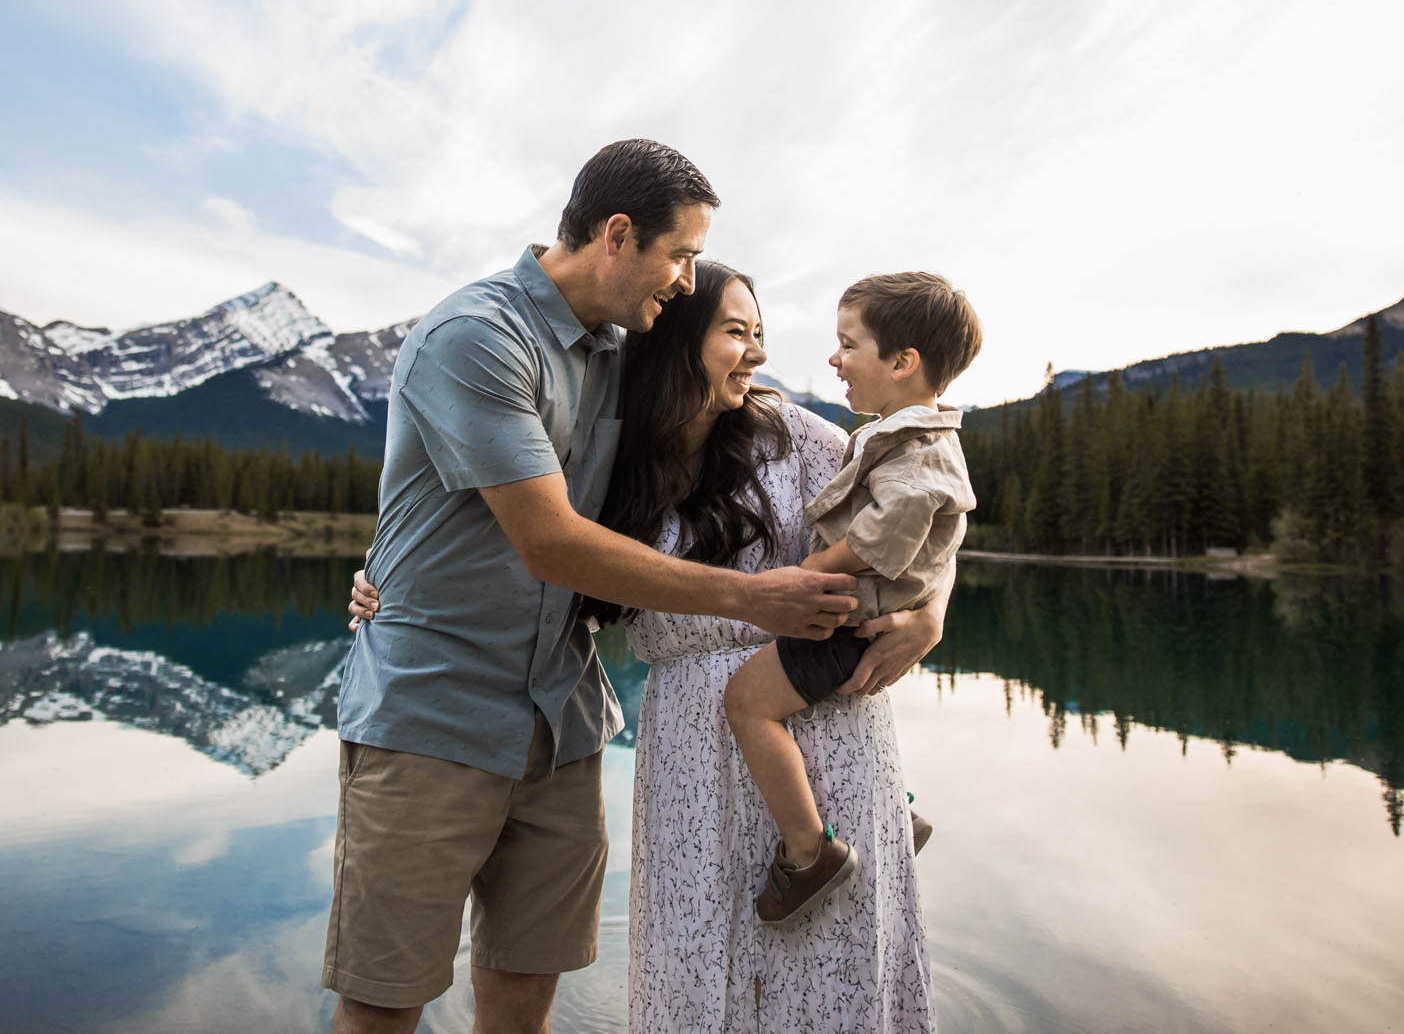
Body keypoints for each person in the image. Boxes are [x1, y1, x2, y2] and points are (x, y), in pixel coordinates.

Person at [324, 140, 863, 1034]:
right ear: (617, 235)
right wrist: (750, 598)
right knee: (384, 1001)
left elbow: (848, 452)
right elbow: (548, 539)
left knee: (525, 997)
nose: (686, 280)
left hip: (562, 721)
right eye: (680, 254)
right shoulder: (476, 337)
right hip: (432, 716)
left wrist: (930, 598)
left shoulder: (629, 348)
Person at [722, 272, 981, 925]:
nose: (834, 358)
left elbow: (885, 536)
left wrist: (814, 568)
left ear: (902, 362)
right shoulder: (899, 433)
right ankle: (892, 814)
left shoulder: (918, 451)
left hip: (845, 622)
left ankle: (810, 851)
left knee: (748, 703)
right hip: (855, 619)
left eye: (848, 344)